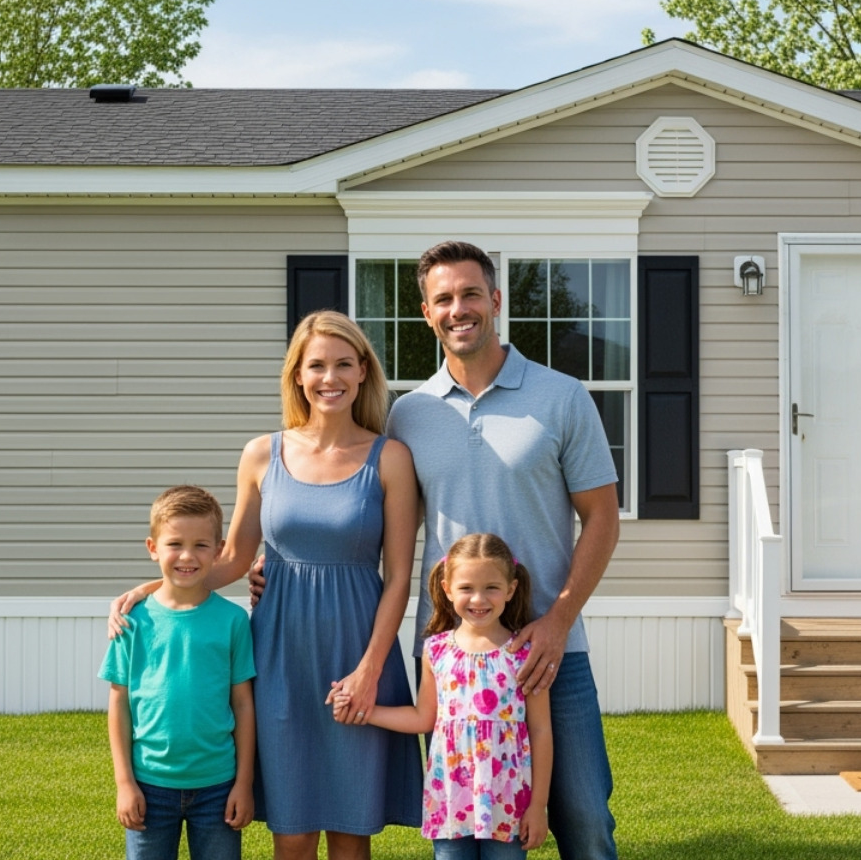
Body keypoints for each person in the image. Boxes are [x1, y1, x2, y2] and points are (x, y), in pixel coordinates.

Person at [251, 241, 622, 859]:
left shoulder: (561, 397)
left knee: (583, 818)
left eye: (471, 294)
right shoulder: (410, 416)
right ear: (426, 312)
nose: (459, 309)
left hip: (548, 650)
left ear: (496, 300)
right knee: (464, 824)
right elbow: (363, 525)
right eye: (444, 299)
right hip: (451, 661)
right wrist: (279, 563)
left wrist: (557, 621)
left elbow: (603, 520)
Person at [111, 311, 423, 860]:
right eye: (317, 365)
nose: (331, 377)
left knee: (352, 832)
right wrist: (149, 589)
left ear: (362, 371)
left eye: (344, 364)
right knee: (293, 829)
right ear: (297, 375)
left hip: (358, 648)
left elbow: (399, 575)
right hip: (279, 653)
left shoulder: (390, 458)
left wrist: (370, 670)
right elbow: (231, 558)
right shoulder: (262, 453)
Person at [334, 532, 552, 860]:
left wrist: (538, 806)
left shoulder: (524, 653)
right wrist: (365, 710)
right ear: (448, 589)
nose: (478, 599)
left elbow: (540, 730)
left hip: (507, 802)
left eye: (491, 587)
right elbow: (425, 717)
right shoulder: (437, 651)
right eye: (466, 588)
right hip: (451, 801)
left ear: (511, 589)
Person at [100, 484, 257, 860]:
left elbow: (243, 705)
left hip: (218, 785)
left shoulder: (233, 621)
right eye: (175, 544)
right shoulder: (131, 621)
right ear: (153, 548)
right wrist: (125, 783)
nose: (188, 555)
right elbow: (119, 704)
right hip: (149, 785)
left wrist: (244, 783)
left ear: (219, 551)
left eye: (202, 545)